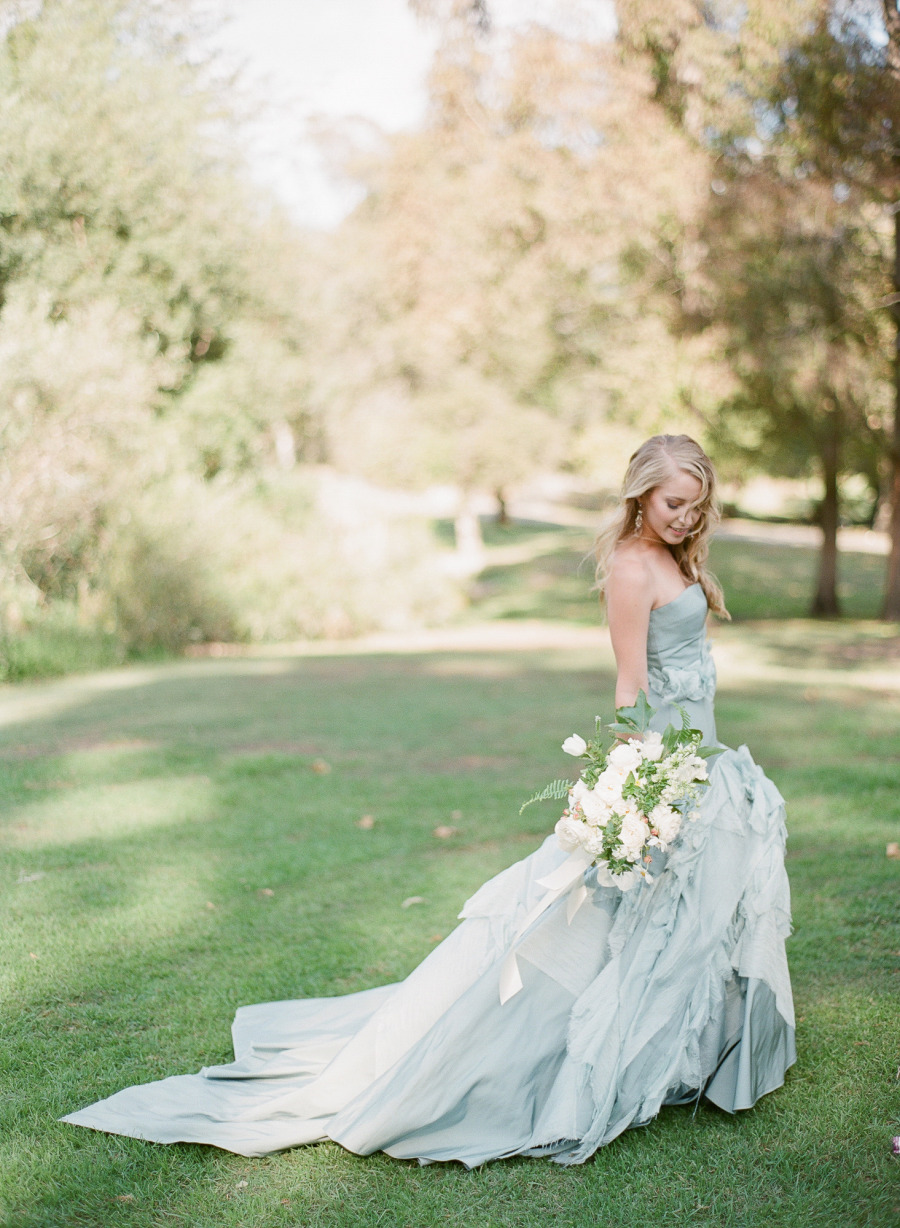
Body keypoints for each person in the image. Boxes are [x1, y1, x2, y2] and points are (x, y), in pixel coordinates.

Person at [62, 434, 795, 1167]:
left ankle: (689, 1051)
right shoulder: (632, 568)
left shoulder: (676, 555)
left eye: (696, 506)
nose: (687, 518)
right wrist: (632, 792)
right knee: (617, 914)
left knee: (684, 912)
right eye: (674, 503)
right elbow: (629, 688)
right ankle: (568, 1053)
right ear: (640, 492)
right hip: (664, 766)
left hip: (704, 758)